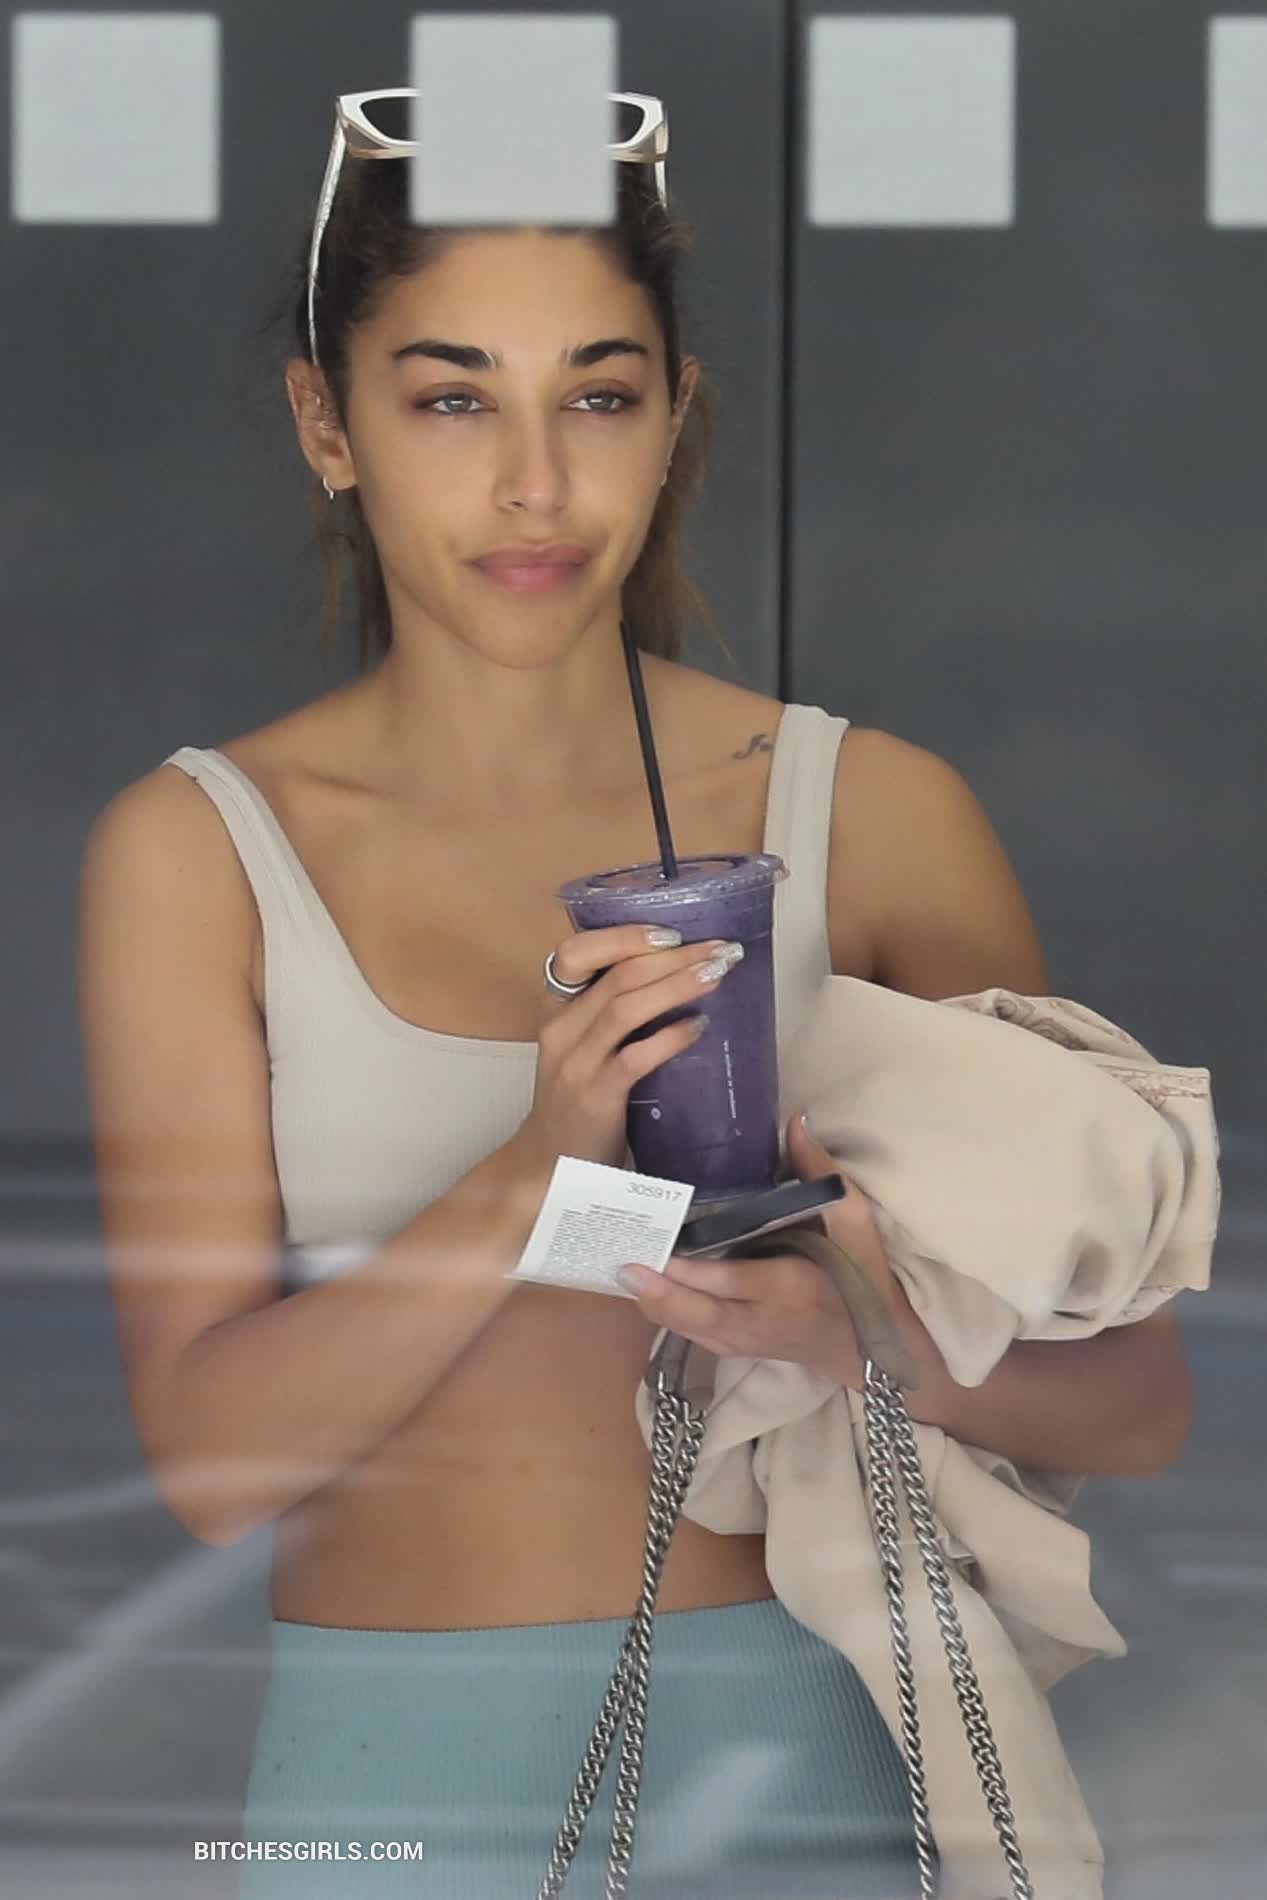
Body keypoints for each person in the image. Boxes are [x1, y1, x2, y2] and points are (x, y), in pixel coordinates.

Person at [78, 88, 1192, 1899]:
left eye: (597, 397)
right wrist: (531, 1177)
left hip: (812, 1760)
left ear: (673, 416)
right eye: (453, 400)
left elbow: (1133, 1399)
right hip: (389, 1789)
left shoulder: (874, 818)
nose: (535, 483)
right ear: (327, 424)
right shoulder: (199, 851)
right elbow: (214, 1465)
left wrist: (855, 1338)